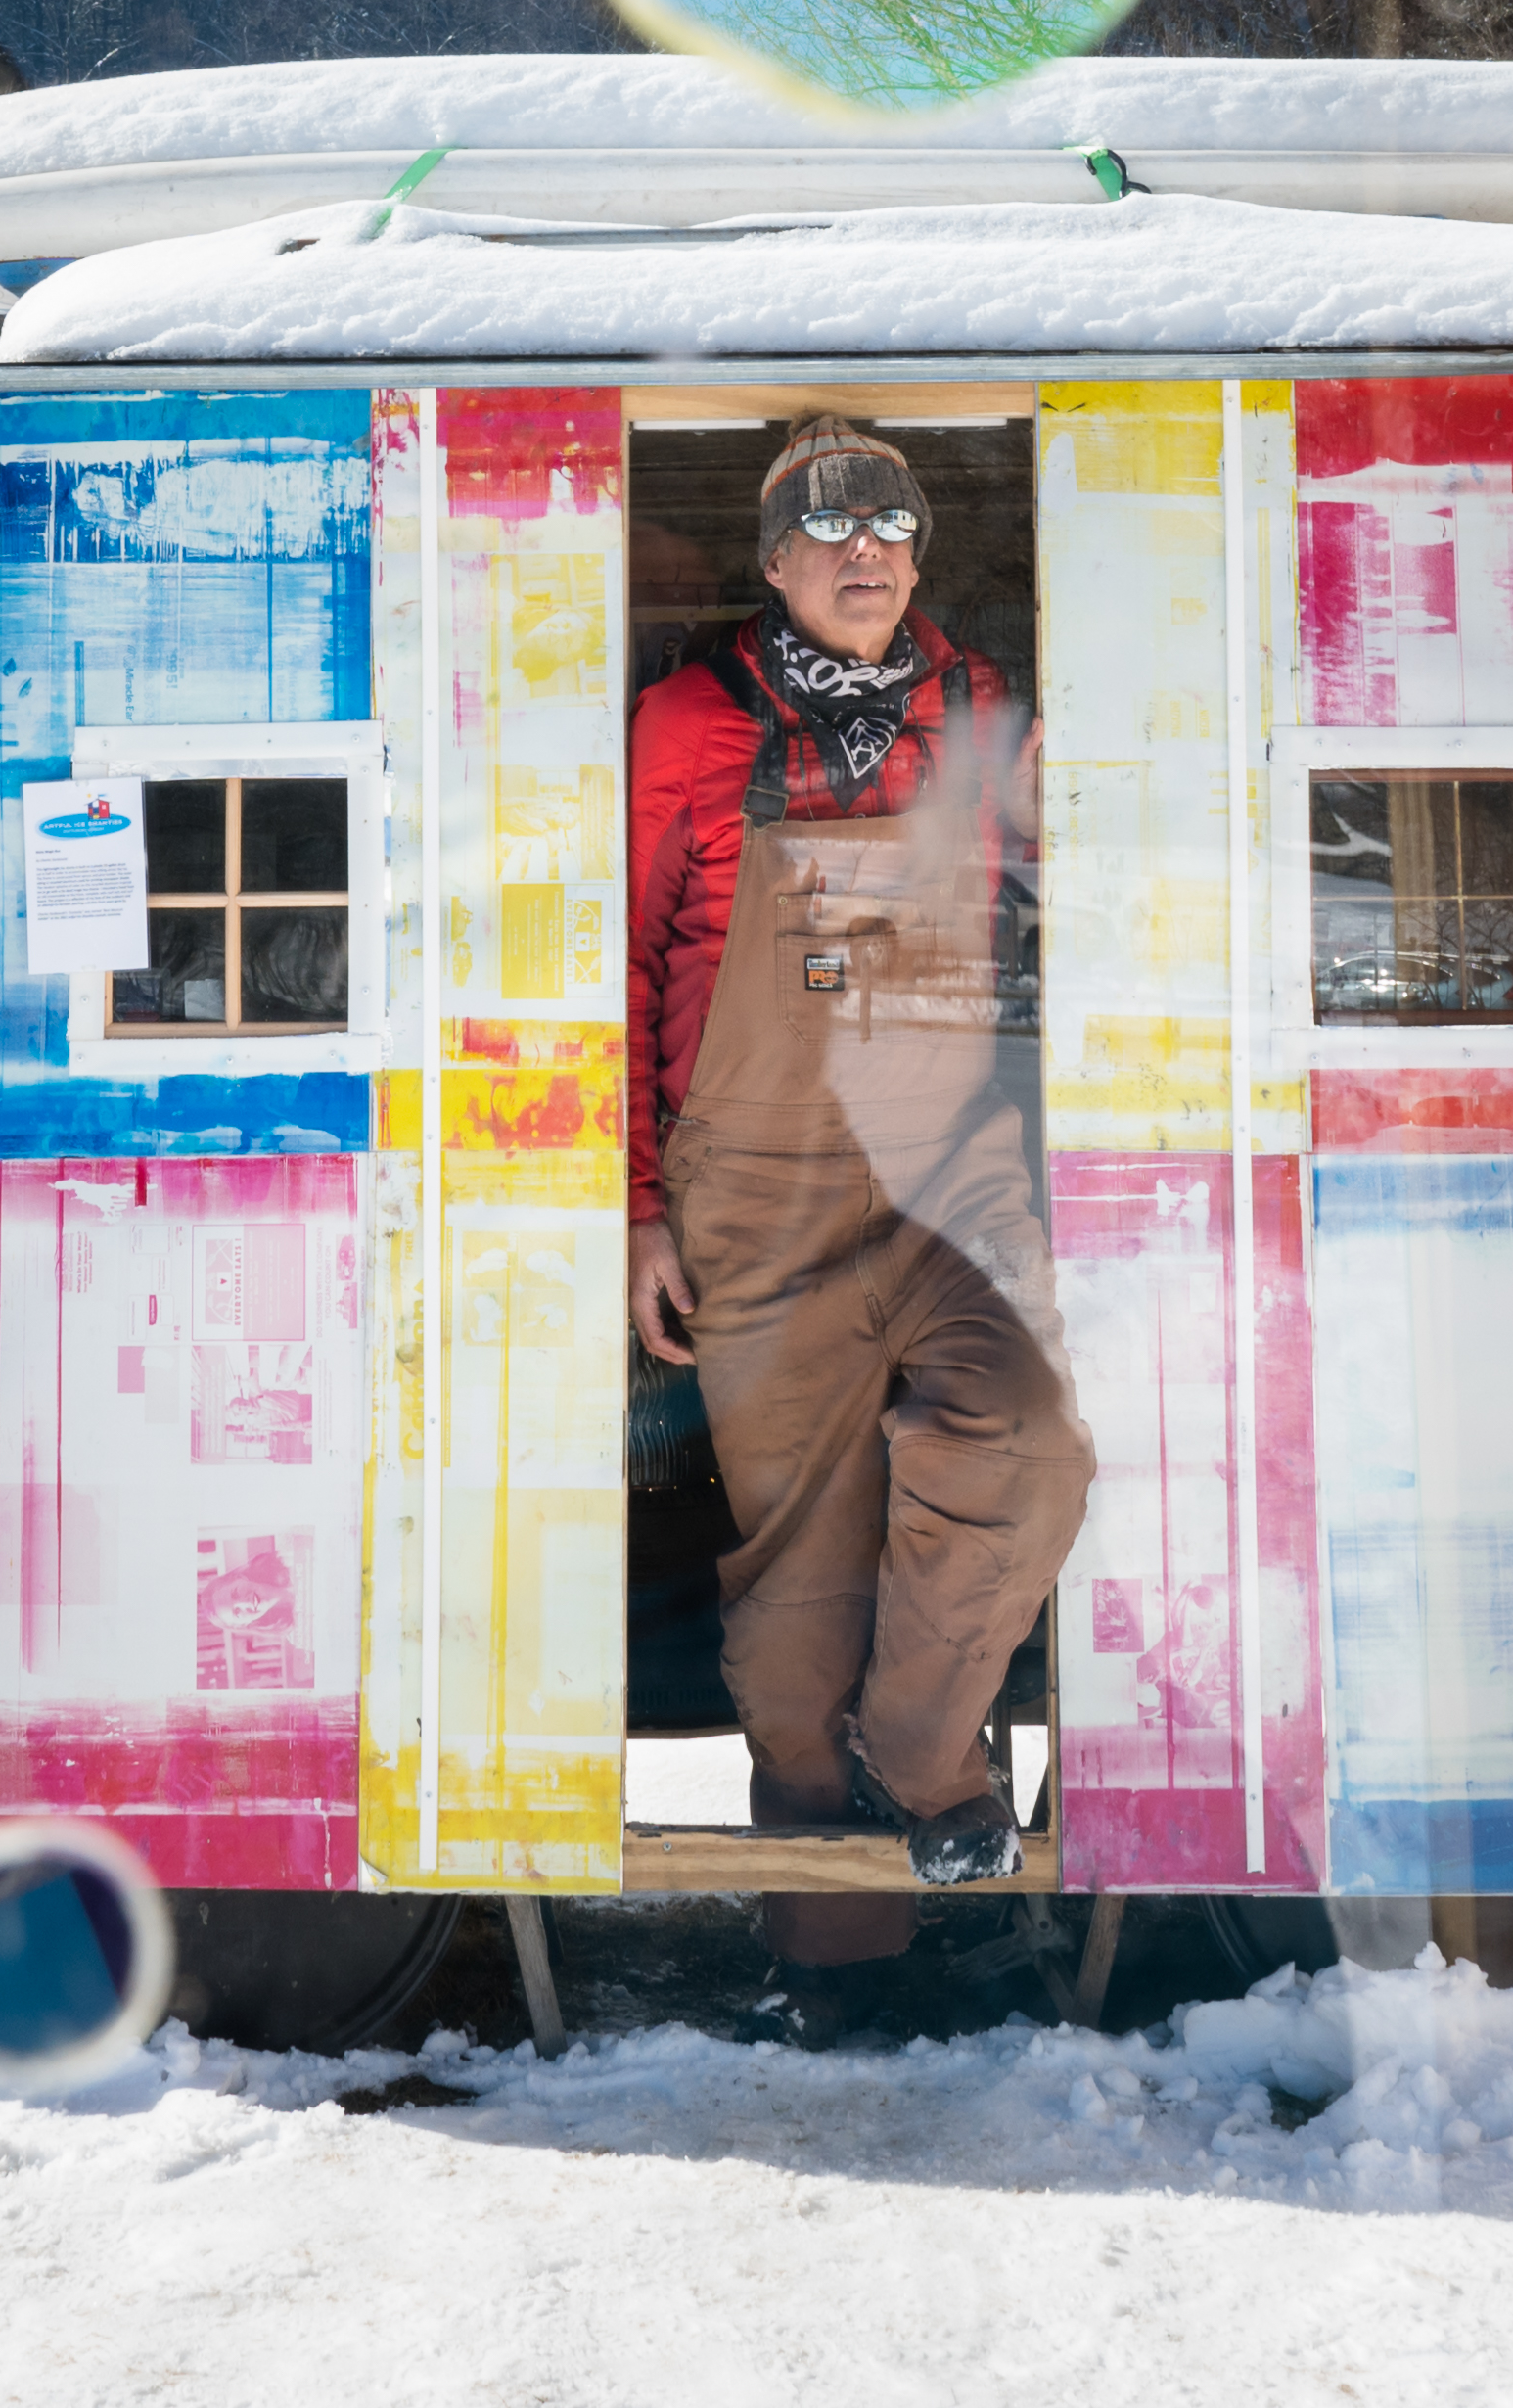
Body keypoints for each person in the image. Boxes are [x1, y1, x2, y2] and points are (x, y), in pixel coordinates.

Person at [623, 420, 1080, 1954]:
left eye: (890, 527)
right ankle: (848, 1964)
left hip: (953, 1178)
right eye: (831, 531)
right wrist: (634, 1205)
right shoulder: (684, 728)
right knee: (800, 1593)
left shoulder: (984, 714)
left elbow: (1093, 879)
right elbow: (606, 968)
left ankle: (928, 1758)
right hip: (757, 1193)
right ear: (773, 564)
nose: (866, 552)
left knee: (1029, 1448)